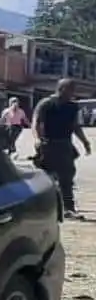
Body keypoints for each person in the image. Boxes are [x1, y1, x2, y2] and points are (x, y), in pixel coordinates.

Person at [33, 78, 91, 217]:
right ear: (63, 89)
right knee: (45, 176)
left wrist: (85, 142)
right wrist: (37, 140)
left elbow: (75, 126)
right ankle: (40, 206)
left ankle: (68, 208)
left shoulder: (72, 106)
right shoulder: (47, 103)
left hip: (64, 144)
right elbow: (36, 123)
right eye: (72, 89)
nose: (74, 92)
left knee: (67, 177)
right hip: (48, 144)